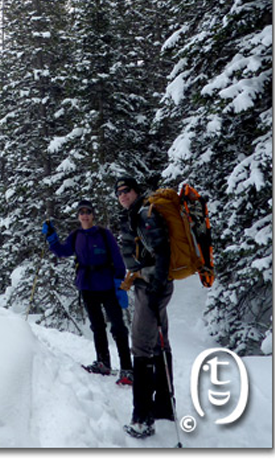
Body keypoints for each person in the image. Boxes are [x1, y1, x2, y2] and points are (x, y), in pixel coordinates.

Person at [42, 202, 133, 386]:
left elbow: (117, 258)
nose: (85, 216)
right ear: (78, 216)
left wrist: (119, 284)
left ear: (93, 215)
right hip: (88, 287)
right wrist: (51, 237)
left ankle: (127, 369)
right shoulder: (76, 235)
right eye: (82, 213)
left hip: (108, 286)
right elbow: (63, 251)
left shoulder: (104, 234)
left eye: (88, 212)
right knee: (97, 326)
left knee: (118, 327)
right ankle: (103, 363)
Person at [116, 176, 175, 440]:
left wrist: (157, 286)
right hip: (150, 284)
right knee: (159, 345)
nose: (122, 195)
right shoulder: (137, 214)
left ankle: (142, 418)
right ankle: (163, 406)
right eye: (118, 192)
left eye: (126, 190)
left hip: (152, 285)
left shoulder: (143, 214)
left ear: (136, 191)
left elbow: (163, 249)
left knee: (141, 346)